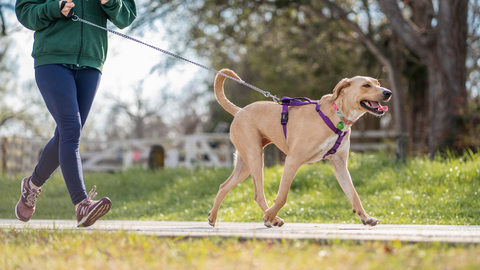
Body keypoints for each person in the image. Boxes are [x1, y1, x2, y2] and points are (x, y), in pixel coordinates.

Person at [14, 0, 136, 227]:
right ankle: (82, 204)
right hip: (52, 60)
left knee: (65, 134)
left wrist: (110, 2)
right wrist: (54, 8)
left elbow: (126, 16)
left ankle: (31, 186)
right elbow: (25, 11)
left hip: (91, 62)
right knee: (71, 130)